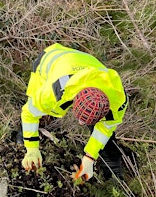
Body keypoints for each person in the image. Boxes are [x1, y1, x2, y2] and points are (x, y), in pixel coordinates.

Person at [19, 43, 128, 181]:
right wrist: (32, 148)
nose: (80, 123)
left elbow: (105, 129)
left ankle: (111, 165)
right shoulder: (54, 91)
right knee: (36, 108)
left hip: (86, 63)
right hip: (48, 61)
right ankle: (22, 136)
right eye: (81, 118)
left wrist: (89, 157)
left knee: (101, 130)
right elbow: (29, 113)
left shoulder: (118, 101)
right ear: (74, 100)